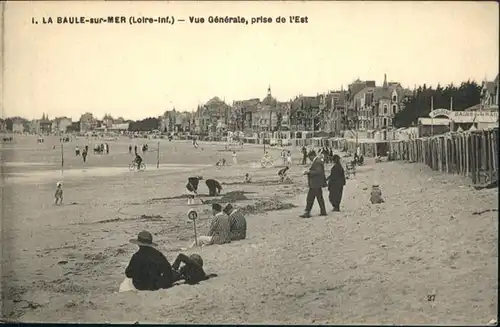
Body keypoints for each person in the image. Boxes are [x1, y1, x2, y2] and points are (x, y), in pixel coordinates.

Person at [300, 150, 327, 218]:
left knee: (310, 198)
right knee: (319, 198)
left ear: (312, 156)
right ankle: (323, 211)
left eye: (309, 157)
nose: (309, 159)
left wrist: (309, 172)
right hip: (317, 183)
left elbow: (318, 171)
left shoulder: (317, 162)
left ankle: (307, 212)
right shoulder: (318, 161)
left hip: (315, 183)